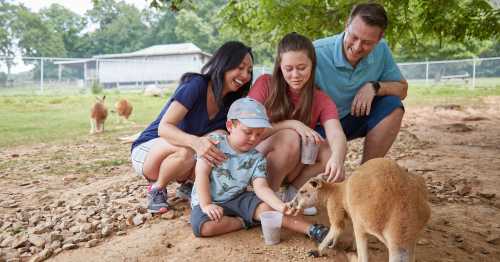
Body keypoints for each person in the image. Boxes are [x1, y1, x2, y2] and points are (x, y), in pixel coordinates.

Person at [130, 41, 254, 213]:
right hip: (150, 150)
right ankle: (156, 189)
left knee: (219, 137)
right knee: (188, 151)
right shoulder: (197, 85)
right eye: (240, 67)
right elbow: (164, 128)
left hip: (182, 157)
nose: (245, 75)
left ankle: (191, 185)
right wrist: (195, 143)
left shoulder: (231, 104)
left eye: (249, 70)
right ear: (224, 64)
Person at [190, 97, 329, 243]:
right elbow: (201, 174)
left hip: (238, 198)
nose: (253, 139)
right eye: (248, 132)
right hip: (207, 198)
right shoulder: (214, 143)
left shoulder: (256, 157)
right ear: (230, 126)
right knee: (203, 227)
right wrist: (206, 205)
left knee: (268, 208)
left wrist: (280, 206)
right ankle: (245, 221)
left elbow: (261, 187)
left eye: (258, 134)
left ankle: (313, 230)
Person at [248, 33, 347, 208]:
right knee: (290, 136)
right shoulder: (265, 84)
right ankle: (266, 200)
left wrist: (338, 158)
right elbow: (248, 129)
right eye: (288, 68)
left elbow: (336, 133)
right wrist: (292, 124)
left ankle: (294, 193)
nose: (295, 75)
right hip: (256, 163)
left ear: (312, 65)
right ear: (280, 66)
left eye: (301, 67)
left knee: (329, 150)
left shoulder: (320, 98)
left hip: (293, 164)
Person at [314, 2, 408, 164]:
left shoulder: (382, 50)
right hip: (320, 126)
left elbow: (402, 89)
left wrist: (374, 87)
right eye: (354, 37)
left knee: (393, 105)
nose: (357, 47)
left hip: (355, 117)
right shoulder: (316, 52)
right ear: (346, 25)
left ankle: (366, 172)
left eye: (367, 42)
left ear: (379, 38)